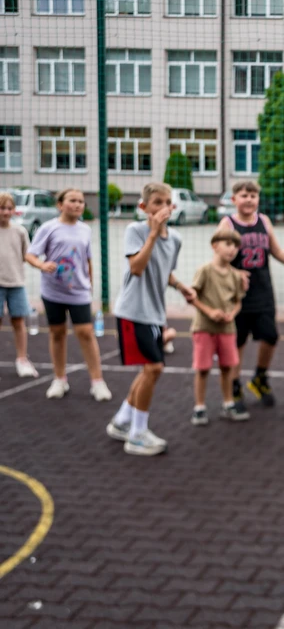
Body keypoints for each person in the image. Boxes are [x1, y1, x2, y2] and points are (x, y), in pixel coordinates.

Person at [105, 183, 195, 456]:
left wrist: (181, 287)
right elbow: (137, 267)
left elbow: (163, 271)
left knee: (149, 370)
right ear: (143, 207)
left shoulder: (176, 239)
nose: (163, 207)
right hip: (134, 311)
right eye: (157, 202)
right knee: (154, 369)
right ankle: (137, 435)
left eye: (167, 202)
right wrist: (153, 234)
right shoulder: (137, 231)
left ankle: (122, 421)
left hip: (154, 313)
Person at [27, 189, 110, 402]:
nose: (78, 205)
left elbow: (88, 259)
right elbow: (30, 254)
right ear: (60, 204)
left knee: (85, 332)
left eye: (81, 201)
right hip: (53, 291)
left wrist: (90, 284)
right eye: (72, 200)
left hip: (79, 292)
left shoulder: (85, 230)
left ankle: (97, 382)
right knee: (57, 333)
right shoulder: (49, 228)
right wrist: (41, 264)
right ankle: (59, 379)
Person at [220, 180, 284, 412]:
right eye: (243, 195)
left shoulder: (264, 221)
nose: (249, 199)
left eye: (253, 195)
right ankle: (235, 385)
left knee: (270, 336)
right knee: (238, 343)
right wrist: (234, 272)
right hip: (238, 297)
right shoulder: (227, 224)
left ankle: (260, 377)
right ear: (234, 200)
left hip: (263, 291)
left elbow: (276, 251)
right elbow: (219, 259)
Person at [189, 228, 246, 425]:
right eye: (228, 244)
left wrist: (232, 314)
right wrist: (209, 312)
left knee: (227, 367)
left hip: (227, 329)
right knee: (203, 369)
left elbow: (238, 301)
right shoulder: (204, 270)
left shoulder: (235, 275)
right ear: (215, 246)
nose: (233, 250)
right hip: (204, 328)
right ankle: (199, 407)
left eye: (236, 246)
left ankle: (228, 403)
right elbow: (192, 297)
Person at [0, 192, 37, 379]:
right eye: (2, 208)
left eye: (9, 208)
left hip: (16, 283)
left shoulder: (20, 231)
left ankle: (22, 359)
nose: (6, 212)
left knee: (19, 321)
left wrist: (42, 264)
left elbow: (27, 255)